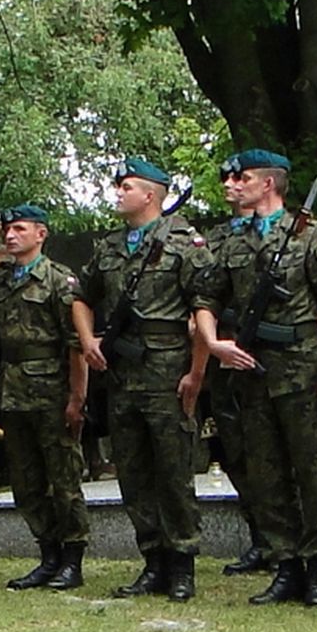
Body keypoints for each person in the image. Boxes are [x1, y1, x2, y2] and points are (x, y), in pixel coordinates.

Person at [193, 152, 317, 608]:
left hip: (300, 364)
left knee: (311, 468)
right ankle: (285, 564)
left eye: (244, 178)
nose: (235, 184)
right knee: (265, 470)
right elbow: (206, 298)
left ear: (268, 184)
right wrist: (214, 343)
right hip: (251, 368)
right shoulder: (230, 240)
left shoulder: (307, 234)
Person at [77, 159, 214, 601]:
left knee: (173, 471)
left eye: (127, 186)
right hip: (122, 373)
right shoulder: (110, 246)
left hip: (167, 369)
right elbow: (81, 296)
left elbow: (204, 308)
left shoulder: (183, 242)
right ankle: (152, 561)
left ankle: (182, 563)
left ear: (150, 195)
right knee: (133, 472)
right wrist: (87, 340)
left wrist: (196, 372)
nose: (118, 193)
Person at [0, 204, 96, 591]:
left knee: (63, 478)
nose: (11, 236)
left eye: (19, 229)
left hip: (52, 389)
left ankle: (72, 558)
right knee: (26, 481)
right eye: (8, 230)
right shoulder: (1, 278)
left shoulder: (58, 280)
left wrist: (77, 398)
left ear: (40, 234)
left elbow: (76, 345)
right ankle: (48, 555)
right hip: (13, 389)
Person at [201, 155, 273, 577]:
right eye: (225, 178)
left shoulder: (289, 232)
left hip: (276, 353)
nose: (230, 184)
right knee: (235, 449)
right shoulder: (215, 239)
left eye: (237, 177)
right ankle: (262, 537)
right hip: (226, 351)